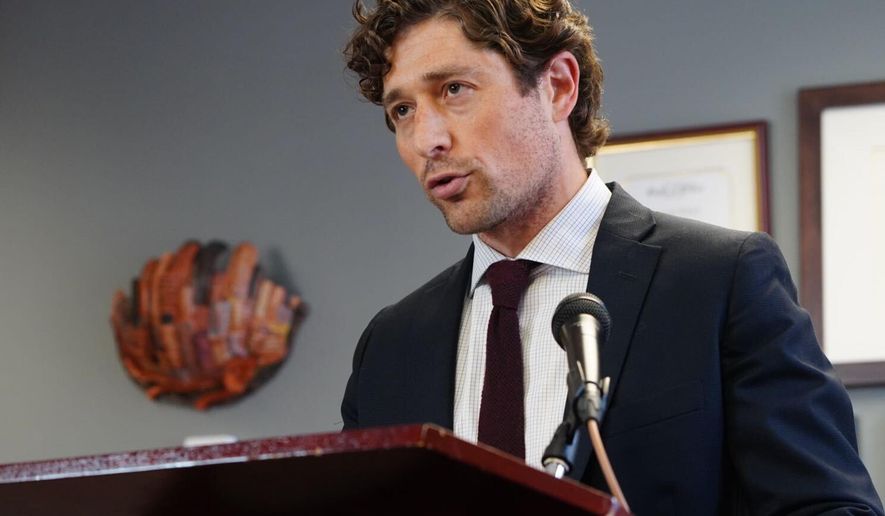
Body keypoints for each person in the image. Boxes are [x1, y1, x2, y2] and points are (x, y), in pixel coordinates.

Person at [340, 0, 884, 513]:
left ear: (557, 86)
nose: (426, 139)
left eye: (454, 89)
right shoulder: (389, 345)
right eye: (403, 110)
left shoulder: (721, 280)